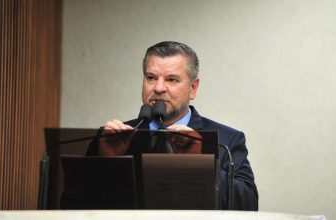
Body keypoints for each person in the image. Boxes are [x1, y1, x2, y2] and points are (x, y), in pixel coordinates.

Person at [87, 41, 258, 210]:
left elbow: (248, 205)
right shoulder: (112, 137)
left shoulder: (227, 140)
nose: (159, 88)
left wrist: (200, 165)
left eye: (172, 79)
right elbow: (71, 202)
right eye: (151, 78)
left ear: (193, 88)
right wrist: (107, 163)